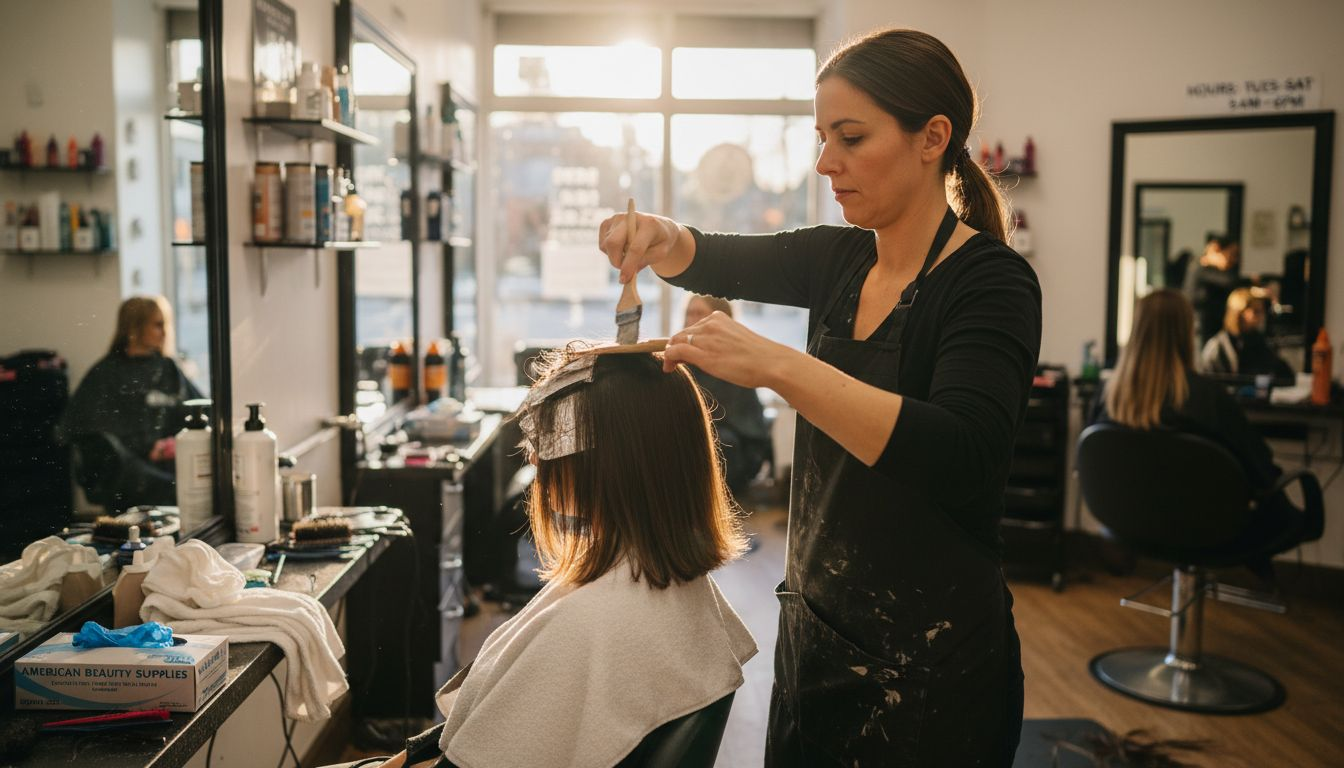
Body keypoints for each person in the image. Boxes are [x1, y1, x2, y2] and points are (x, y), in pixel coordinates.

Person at [598, 27, 1040, 767]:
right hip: (818, 636)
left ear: (933, 138)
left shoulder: (990, 283)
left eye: (851, 137)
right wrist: (656, 234)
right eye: (822, 137)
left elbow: (963, 453)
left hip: (932, 668)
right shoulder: (837, 258)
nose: (826, 161)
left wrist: (777, 366)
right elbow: (706, 254)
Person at [331, 350, 756, 768]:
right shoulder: (679, 586)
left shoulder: (591, 623)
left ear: (612, 463)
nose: (535, 459)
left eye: (549, 444)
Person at [1093, 289, 1322, 560]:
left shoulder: (1108, 396)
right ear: (1186, 334)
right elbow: (1262, 471)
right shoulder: (1208, 398)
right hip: (1213, 532)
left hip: (1133, 524)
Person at [59, 296, 202, 507]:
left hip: (170, 469)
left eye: (165, 325)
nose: (165, 332)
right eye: (157, 325)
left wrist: (172, 444)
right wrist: (143, 448)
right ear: (135, 327)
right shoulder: (105, 373)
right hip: (127, 478)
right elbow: (91, 433)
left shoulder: (168, 368)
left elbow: (198, 410)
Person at [683, 294, 771, 496]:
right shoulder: (683, 362)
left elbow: (731, 415)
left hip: (738, 444)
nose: (692, 320)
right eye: (689, 313)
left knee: (718, 439)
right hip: (698, 435)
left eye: (699, 313)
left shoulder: (736, 361)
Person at [1200, 286, 1294, 379]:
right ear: (1239, 313)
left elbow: (1284, 373)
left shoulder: (1257, 342)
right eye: (1255, 311)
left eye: (1261, 311)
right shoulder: (1217, 347)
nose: (1261, 316)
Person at [1184, 235, 1242, 345]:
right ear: (1216, 249)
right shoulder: (1201, 267)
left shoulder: (1207, 268)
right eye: (1231, 254)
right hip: (1202, 327)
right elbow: (1229, 282)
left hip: (1210, 325)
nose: (1233, 260)